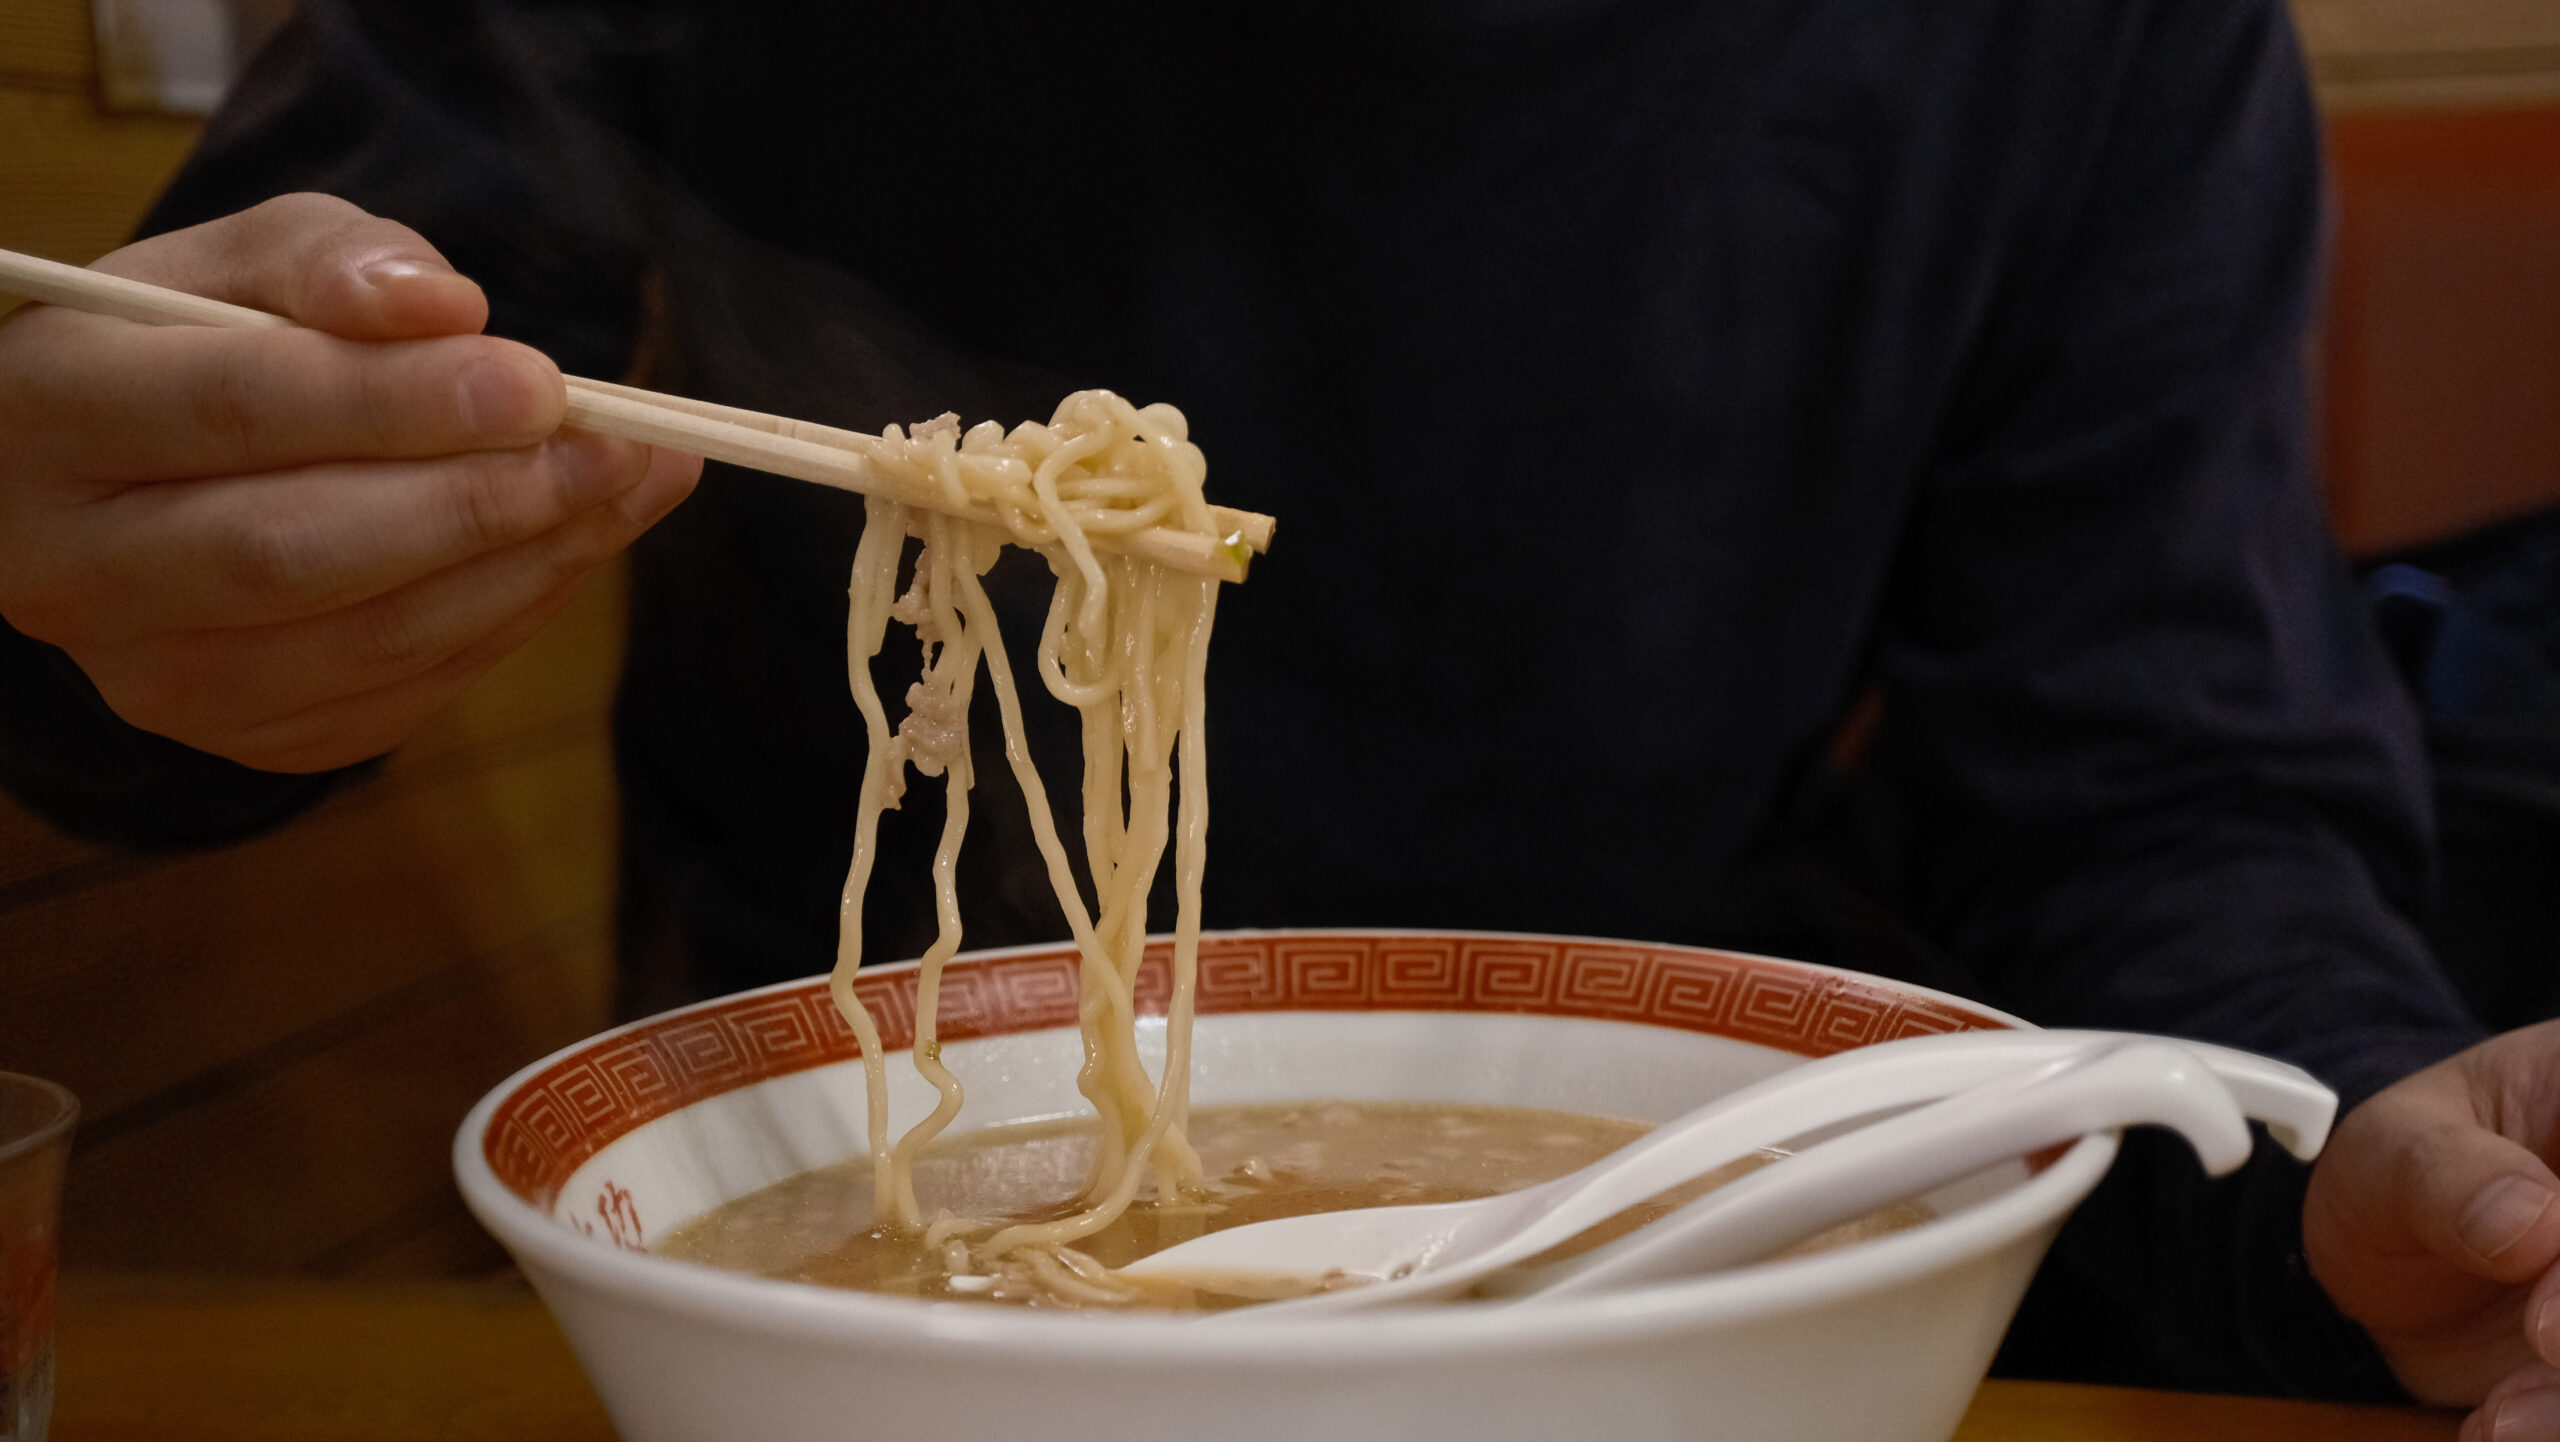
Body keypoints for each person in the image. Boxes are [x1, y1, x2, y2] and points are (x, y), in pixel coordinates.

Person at [0, 0, 2553, 1431]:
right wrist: (124, 583)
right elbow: (200, 482)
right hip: (829, 1250)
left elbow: (2164, 790)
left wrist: (2367, 1162)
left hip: (1732, 1289)